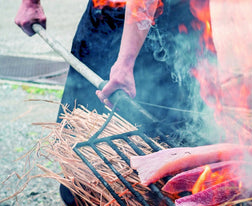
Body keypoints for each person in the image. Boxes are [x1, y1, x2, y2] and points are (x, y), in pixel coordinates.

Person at [15, 0, 218, 139]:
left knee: (170, 146)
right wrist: (30, 2)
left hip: (173, 27)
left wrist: (125, 63)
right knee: (84, 147)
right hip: (104, 16)